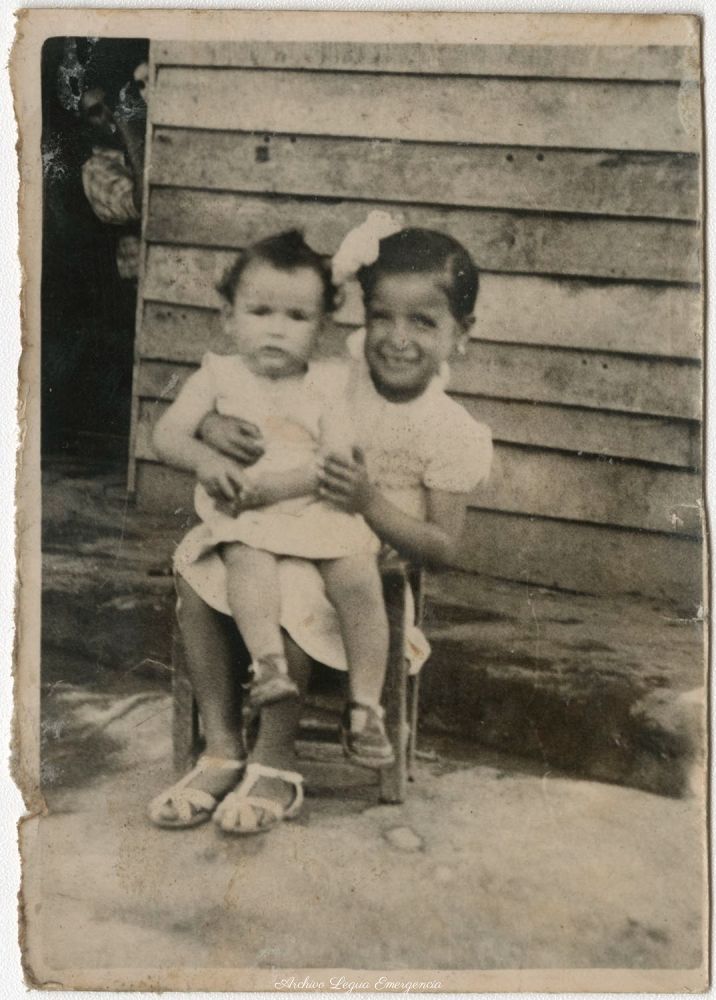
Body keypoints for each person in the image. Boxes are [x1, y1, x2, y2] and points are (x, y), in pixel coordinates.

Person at [148, 218, 493, 835]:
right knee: (198, 579)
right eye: (381, 318)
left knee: (290, 591)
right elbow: (259, 390)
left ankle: (276, 762)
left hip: (363, 570)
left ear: (460, 334)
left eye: (423, 323)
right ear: (358, 322)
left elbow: (443, 547)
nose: (398, 339)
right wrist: (211, 428)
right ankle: (222, 748)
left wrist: (367, 502)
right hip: (283, 528)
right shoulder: (341, 372)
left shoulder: (450, 430)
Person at [151, 229, 394, 776]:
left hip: (312, 504)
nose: (277, 329)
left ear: (321, 328)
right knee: (245, 557)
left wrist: (276, 487)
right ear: (228, 317)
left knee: (358, 572)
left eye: (297, 317)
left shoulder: (328, 384)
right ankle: (268, 665)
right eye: (260, 312)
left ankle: (365, 707)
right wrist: (205, 460)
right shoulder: (219, 375)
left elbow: (335, 460)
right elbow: (166, 435)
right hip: (248, 513)